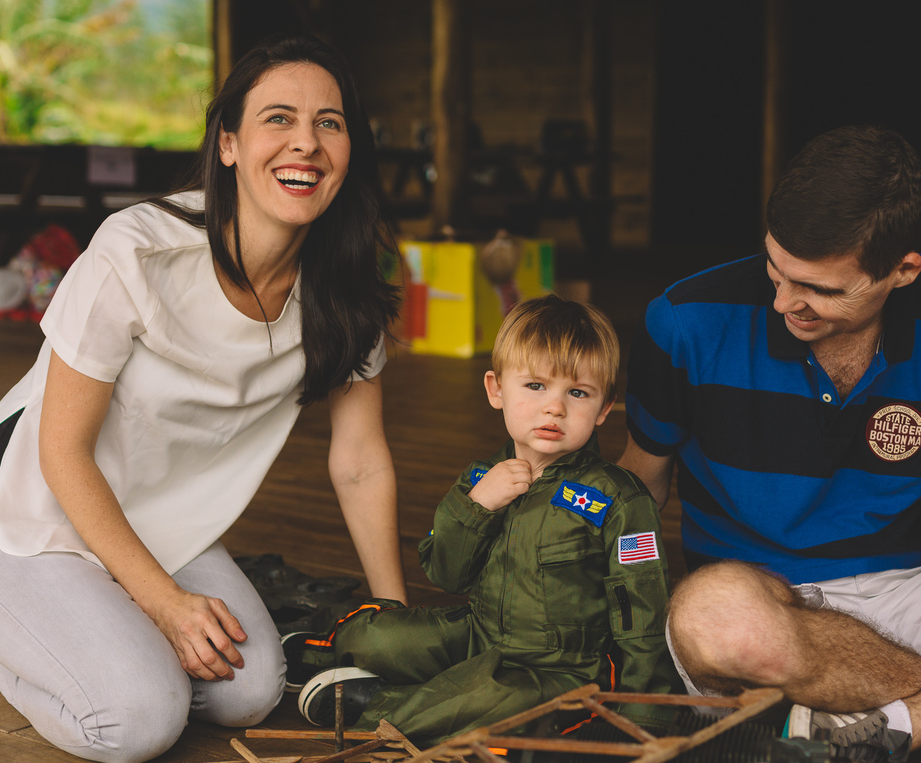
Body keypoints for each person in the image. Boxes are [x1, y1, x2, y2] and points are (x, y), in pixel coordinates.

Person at [0, 34, 407, 763]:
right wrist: (165, 604)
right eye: (278, 118)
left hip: (152, 515)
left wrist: (395, 618)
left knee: (248, 689)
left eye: (329, 123)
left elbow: (362, 463)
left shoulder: (346, 287)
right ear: (229, 145)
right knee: (139, 719)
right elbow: (60, 452)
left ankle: (79, 625)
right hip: (25, 499)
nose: (305, 143)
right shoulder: (140, 251)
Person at [618, 125, 921, 763]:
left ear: (903, 271)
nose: (783, 302)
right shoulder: (683, 319)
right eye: (776, 269)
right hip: (768, 601)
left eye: (821, 290)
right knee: (711, 617)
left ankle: (907, 725)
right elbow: (637, 493)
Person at [282, 294, 683, 744]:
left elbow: (643, 612)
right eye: (535, 386)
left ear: (605, 408)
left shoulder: (619, 500)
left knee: (475, 699)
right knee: (381, 639)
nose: (555, 407)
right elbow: (446, 574)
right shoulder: (479, 477)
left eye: (577, 392)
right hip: (479, 633)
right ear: (496, 390)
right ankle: (324, 654)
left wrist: (644, 717)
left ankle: (371, 705)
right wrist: (476, 506)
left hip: (556, 670)